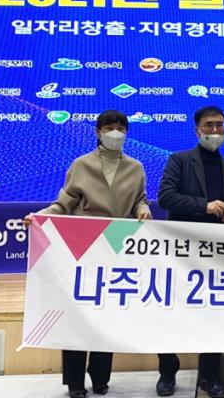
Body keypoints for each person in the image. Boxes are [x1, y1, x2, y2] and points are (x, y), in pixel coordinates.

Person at [23, 110, 151, 398]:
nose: (115, 132)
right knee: (77, 315)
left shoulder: (136, 167)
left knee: (107, 314)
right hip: (82, 247)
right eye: (109, 127)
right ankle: (75, 382)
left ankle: (101, 376)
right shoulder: (81, 165)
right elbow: (64, 203)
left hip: (117, 246)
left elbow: (140, 200)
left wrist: (143, 210)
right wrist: (40, 216)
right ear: (97, 131)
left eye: (121, 128)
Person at [156, 106, 224, 398]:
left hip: (217, 251)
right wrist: (205, 206)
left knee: (214, 313)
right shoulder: (179, 160)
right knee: (171, 312)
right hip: (181, 250)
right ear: (197, 130)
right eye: (209, 125)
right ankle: (167, 372)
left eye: (220, 125)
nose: (215, 130)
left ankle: (210, 376)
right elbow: (166, 197)